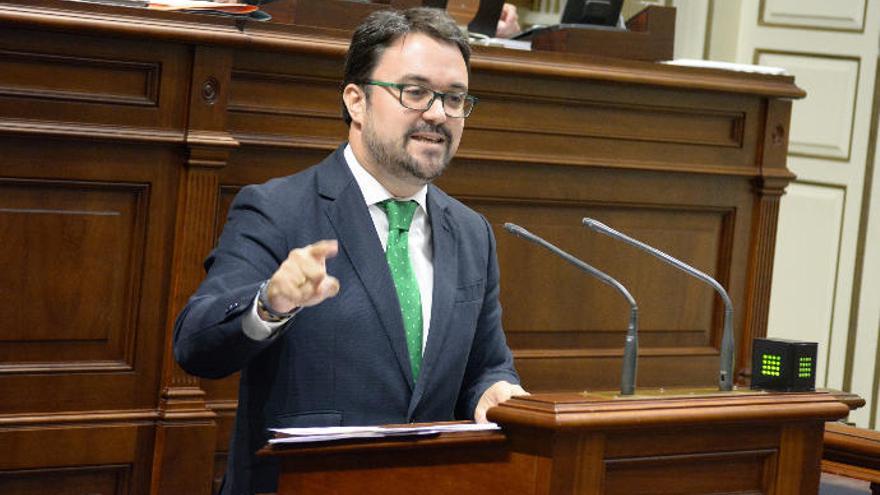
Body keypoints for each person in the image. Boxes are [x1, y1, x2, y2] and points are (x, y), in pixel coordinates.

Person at [173, 7, 527, 495]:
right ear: (356, 101)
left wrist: (496, 390)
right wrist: (269, 303)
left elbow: (487, 364)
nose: (438, 113)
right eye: (416, 91)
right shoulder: (279, 209)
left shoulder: (471, 232)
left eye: (455, 98)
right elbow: (195, 345)